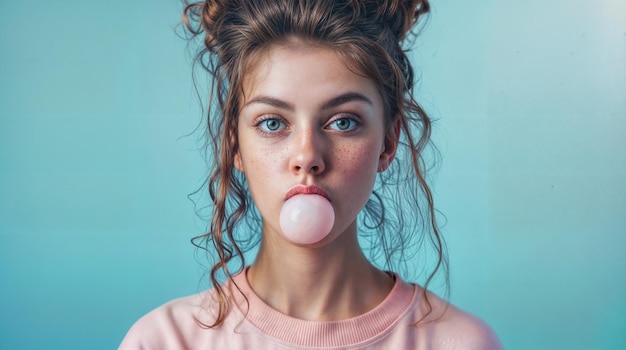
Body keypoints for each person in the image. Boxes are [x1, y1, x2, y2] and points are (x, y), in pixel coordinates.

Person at [120, 0, 503, 348]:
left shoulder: (462, 343)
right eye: (272, 123)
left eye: (343, 122)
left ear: (388, 142)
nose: (307, 157)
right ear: (234, 144)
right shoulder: (163, 342)